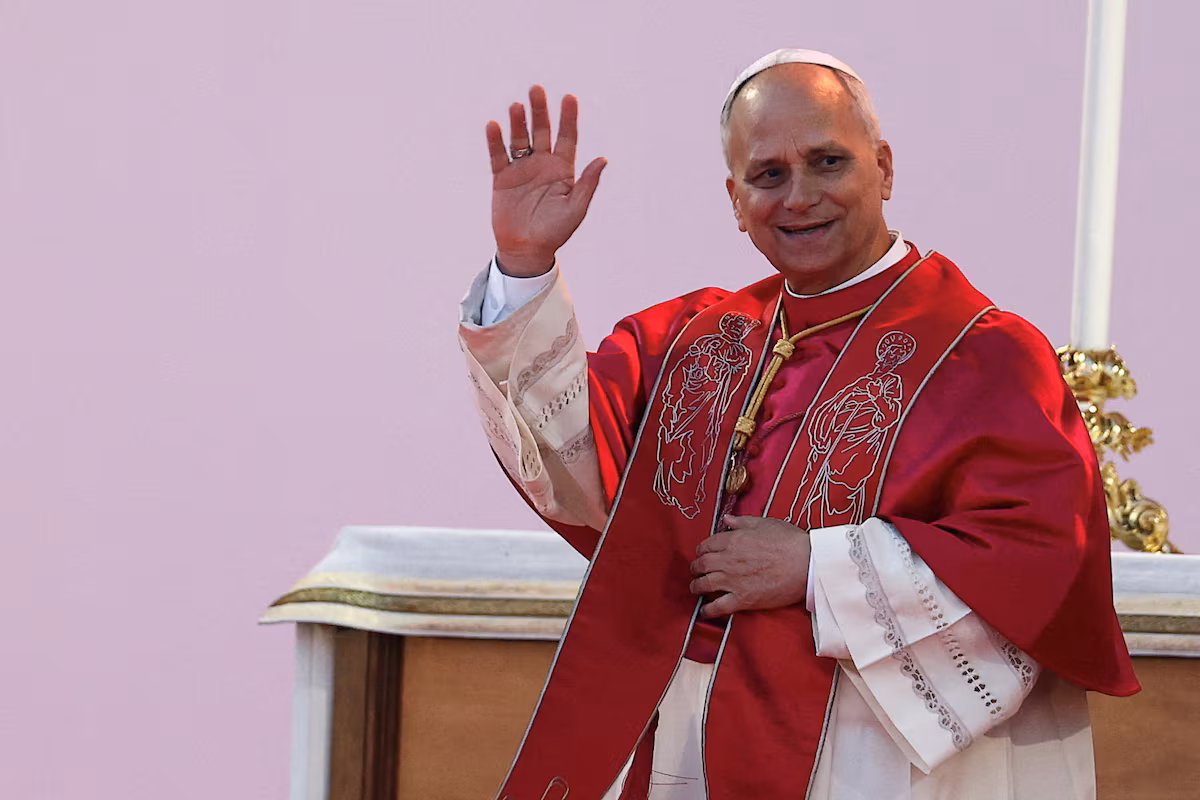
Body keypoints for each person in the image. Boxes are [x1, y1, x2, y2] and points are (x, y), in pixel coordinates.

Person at [458, 49, 1138, 800]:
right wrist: (525, 264)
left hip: (876, 759)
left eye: (827, 161)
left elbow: (1040, 560)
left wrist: (818, 567)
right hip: (688, 739)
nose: (800, 196)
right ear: (734, 198)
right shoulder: (695, 337)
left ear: (882, 167)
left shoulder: (986, 356)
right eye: (769, 175)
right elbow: (571, 463)